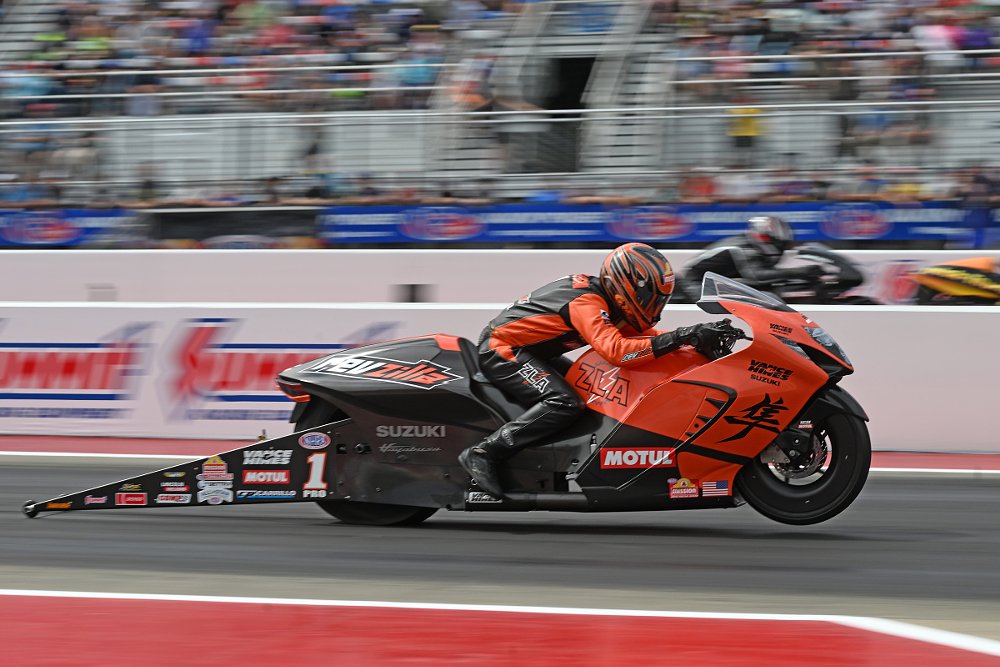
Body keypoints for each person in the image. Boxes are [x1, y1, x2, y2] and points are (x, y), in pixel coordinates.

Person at [458, 242, 732, 498]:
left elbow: (647, 339)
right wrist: (682, 336)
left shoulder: (610, 301)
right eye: (651, 298)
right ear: (629, 286)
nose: (655, 307)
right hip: (502, 348)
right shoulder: (587, 302)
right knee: (564, 402)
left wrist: (696, 336)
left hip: (537, 351)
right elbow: (618, 351)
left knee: (589, 398)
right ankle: (484, 452)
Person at [678, 215, 823, 301]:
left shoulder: (751, 245)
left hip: (716, 282)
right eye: (780, 244)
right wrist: (800, 271)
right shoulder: (742, 249)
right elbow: (758, 276)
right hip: (695, 284)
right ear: (766, 238)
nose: (782, 249)